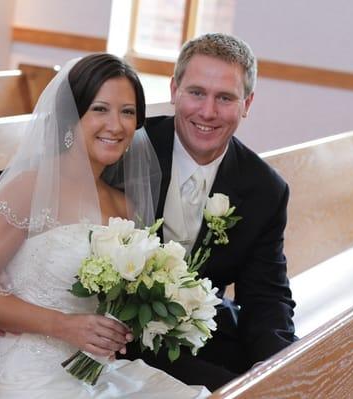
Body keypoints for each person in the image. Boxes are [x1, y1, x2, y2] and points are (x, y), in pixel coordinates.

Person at [0, 53, 210, 398]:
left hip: (96, 373)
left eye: (127, 112)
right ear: (70, 119)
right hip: (30, 375)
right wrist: (63, 326)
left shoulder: (123, 205)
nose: (116, 125)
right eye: (100, 109)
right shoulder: (31, 187)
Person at [120, 33, 298, 390]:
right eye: (197, 92)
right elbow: (12, 185)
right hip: (116, 338)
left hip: (198, 339)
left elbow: (265, 296)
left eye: (225, 98)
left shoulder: (264, 189)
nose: (207, 112)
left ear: (247, 103)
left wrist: (279, 371)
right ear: (174, 90)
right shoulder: (127, 147)